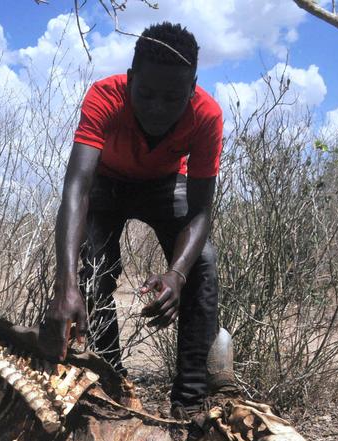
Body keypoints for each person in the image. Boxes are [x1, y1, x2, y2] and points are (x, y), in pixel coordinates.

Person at [40, 21, 223, 419]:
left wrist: (176, 274)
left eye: (173, 97)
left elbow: (200, 210)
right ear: (130, 79)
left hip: (165, 183)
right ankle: (108, 383)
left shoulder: (206, 115)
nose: (157, 108)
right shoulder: (105, 96)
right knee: (90, 268)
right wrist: (65, 284)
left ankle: (189, 404)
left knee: (202, 266)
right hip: (106, 183)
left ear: (192, 89)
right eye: (146, 93)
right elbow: (78, 188)